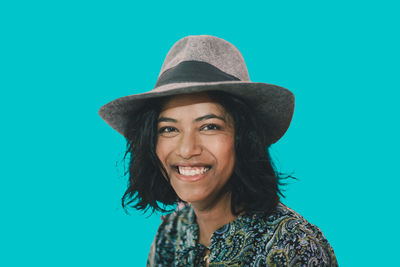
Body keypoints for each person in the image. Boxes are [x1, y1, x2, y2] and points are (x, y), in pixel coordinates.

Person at [99, 35, 338, 266]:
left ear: (243, 138)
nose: (187, 149)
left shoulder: (293, 245)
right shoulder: (171, 233)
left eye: (209, 126)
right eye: (169, 129)